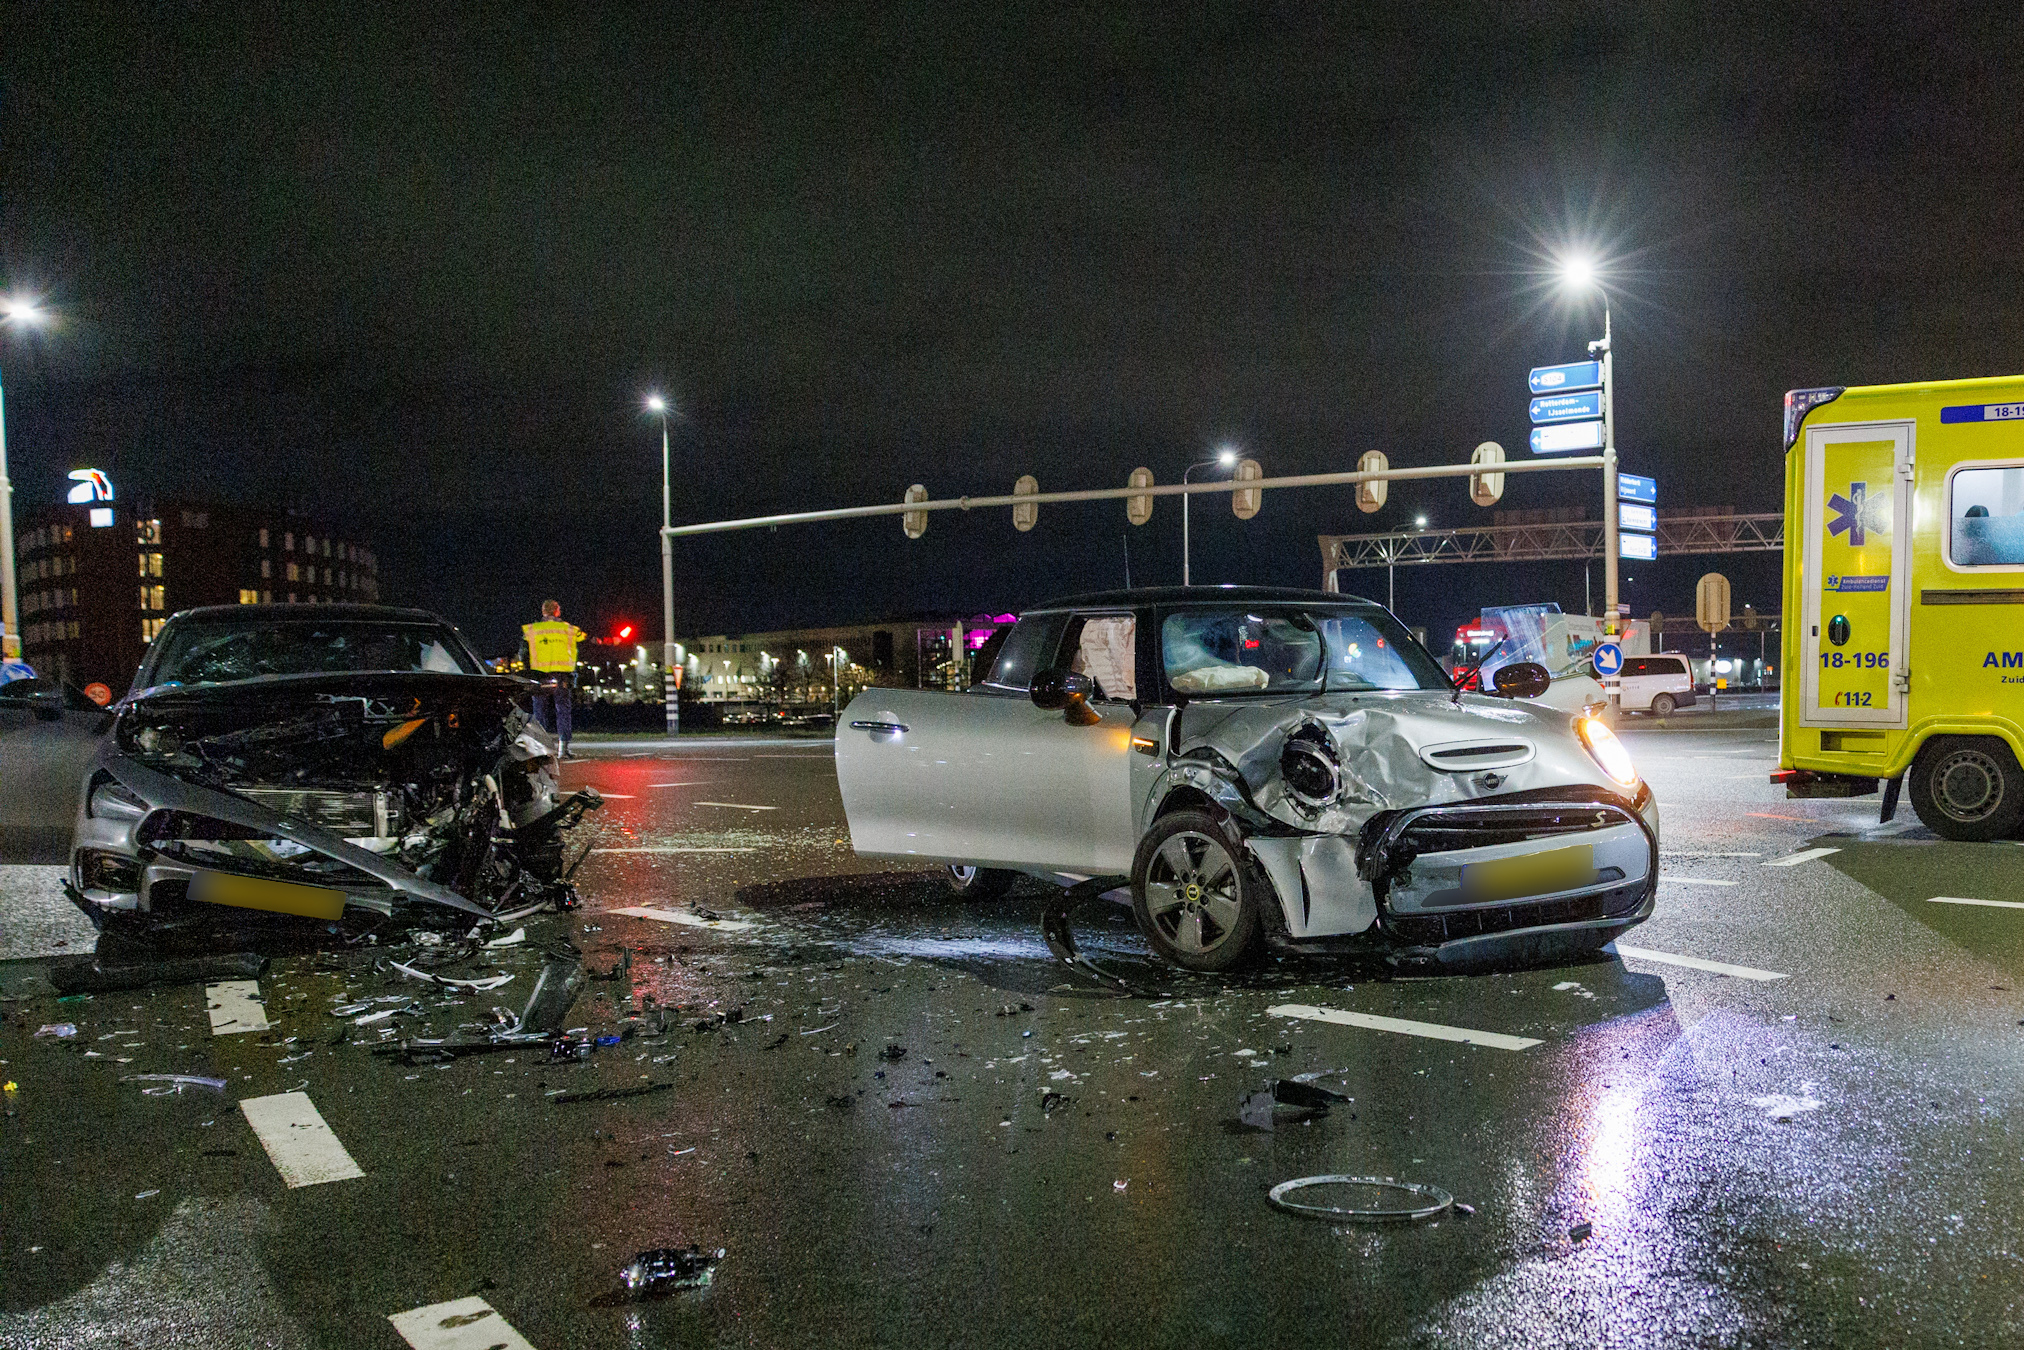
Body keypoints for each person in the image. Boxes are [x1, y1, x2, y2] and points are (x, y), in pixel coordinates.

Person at [519, 600, 586, 758]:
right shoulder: (568, 629)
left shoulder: (532, 630)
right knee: (562, 709)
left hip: (540, 675)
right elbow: (585, 640)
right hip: (562, 675)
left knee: (539, 711)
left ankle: (540, 747)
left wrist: (528, 670)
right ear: (557, 611)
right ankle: (564, 748)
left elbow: (523, 653)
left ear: (543, 612)